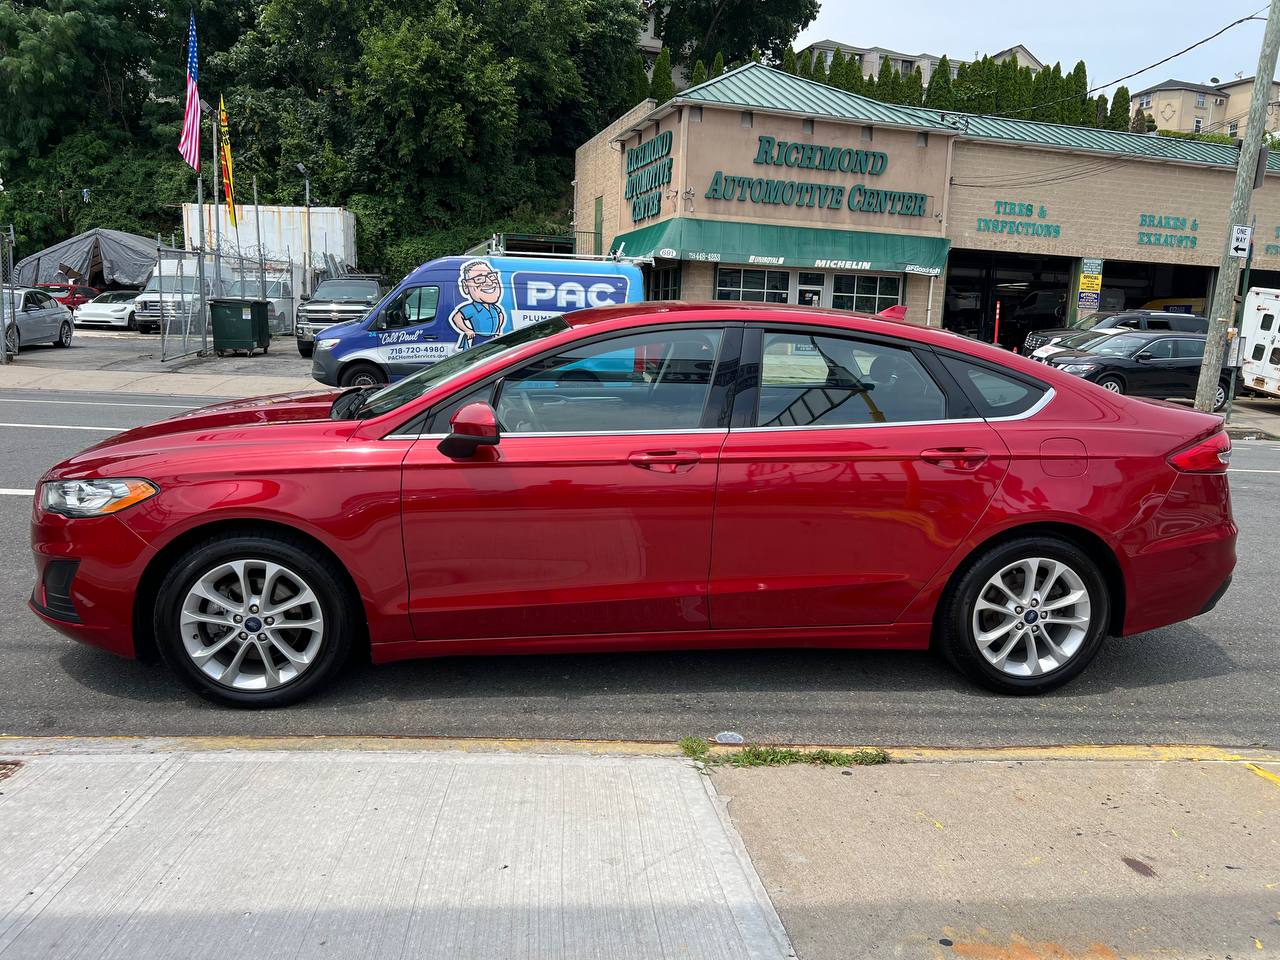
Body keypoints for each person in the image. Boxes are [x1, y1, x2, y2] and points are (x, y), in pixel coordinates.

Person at [449, 259, 506, 348]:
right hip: (480, 338)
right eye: (479, 279)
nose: (489, 282)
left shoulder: (493, 307)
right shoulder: (472, 308)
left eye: (491, 276)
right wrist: (467, 330)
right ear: (465, 286)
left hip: (494, 338)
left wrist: (498, 328)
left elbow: (501, 314)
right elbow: (456, 318)